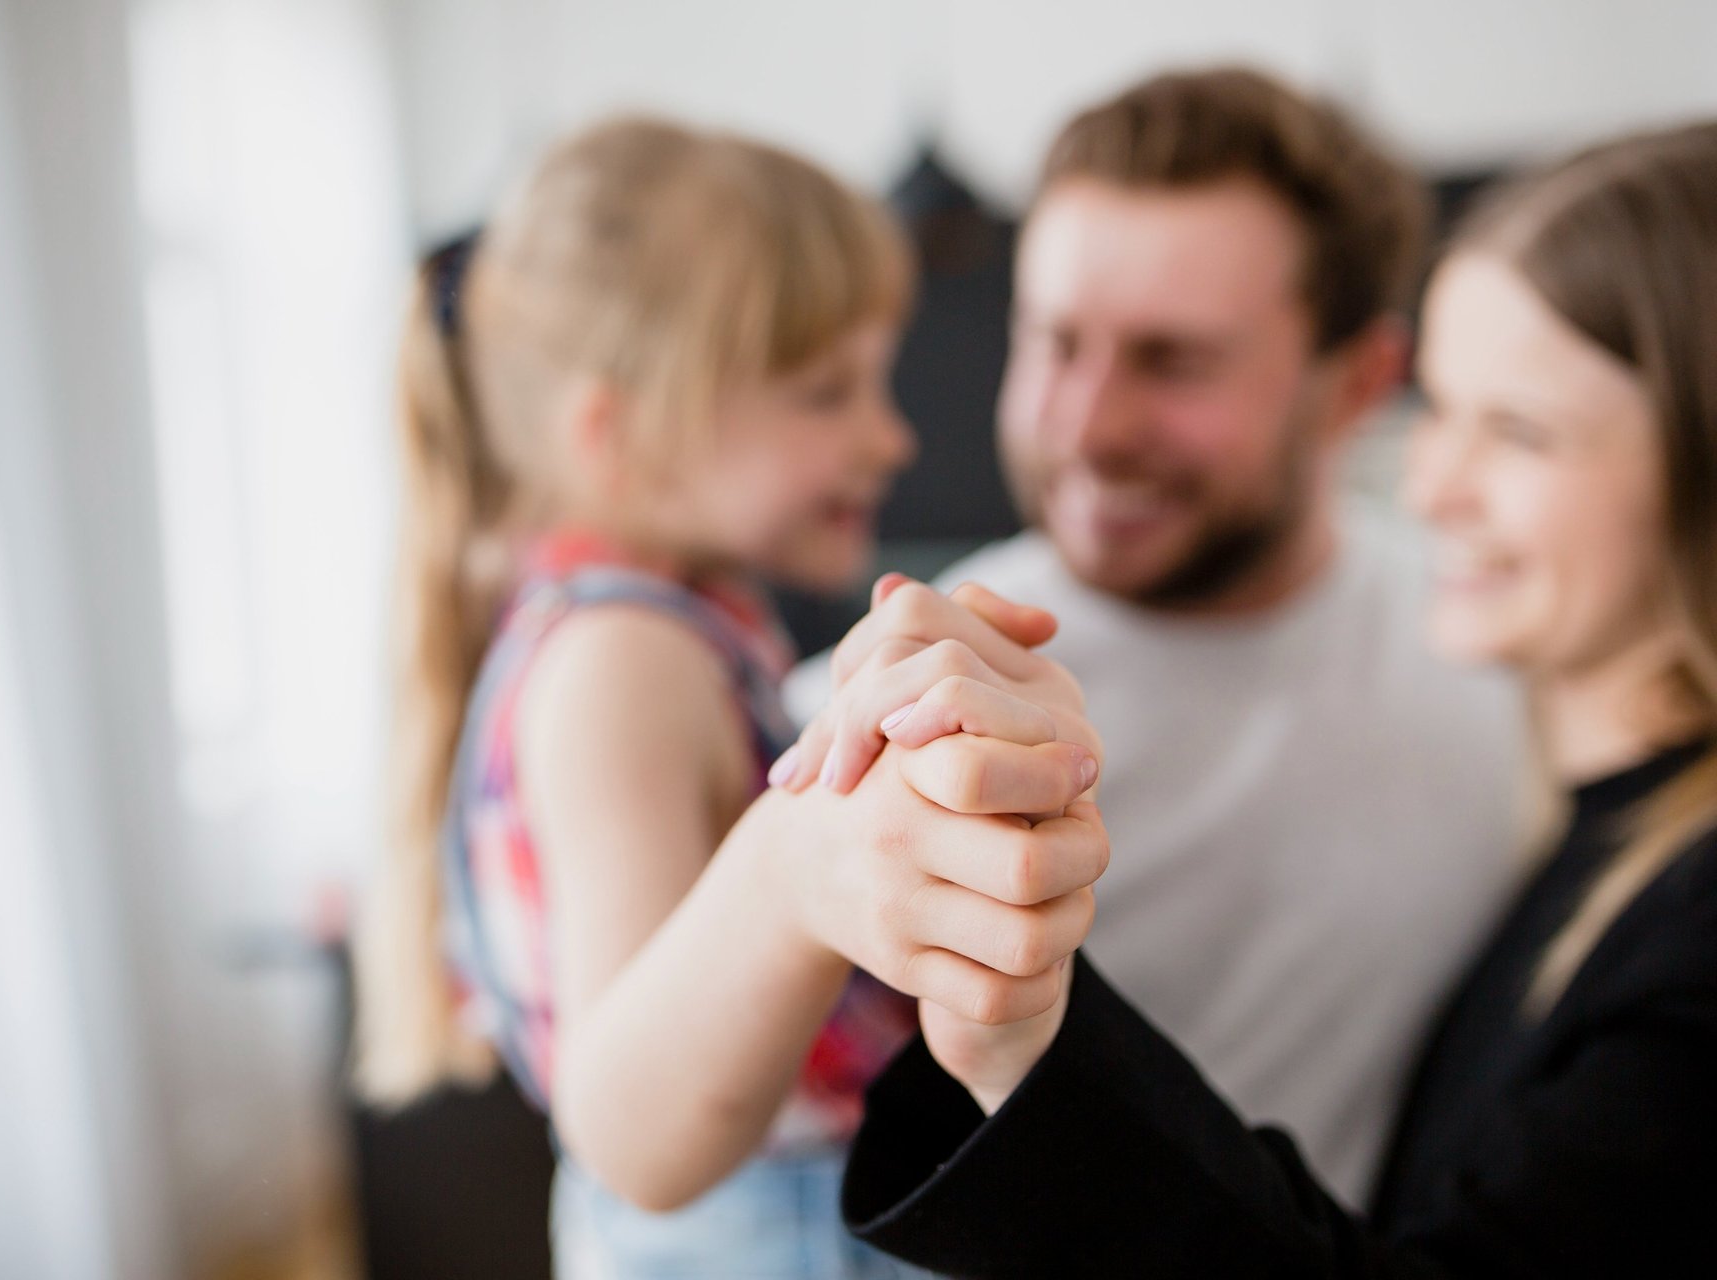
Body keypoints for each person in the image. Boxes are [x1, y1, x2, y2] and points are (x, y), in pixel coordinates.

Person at [837, 120, 1717, 1277]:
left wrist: (1026, 1035)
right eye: (1443, 411)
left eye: (1519, 431)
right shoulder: (1602, 825)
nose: (1430, 484)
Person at [350, 116, 1108, 1278]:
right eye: (826, 391)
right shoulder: (625, 661)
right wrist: (797, 871)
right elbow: (635, 1132)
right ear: (617, 431)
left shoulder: (663, 622)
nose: (889, 435)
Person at [784, 67, 1527, 1204]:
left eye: (1173, 361)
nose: (1085, 428)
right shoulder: (921, 687)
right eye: (1055, 342)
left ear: (1358, 383)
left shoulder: (1500, 649)